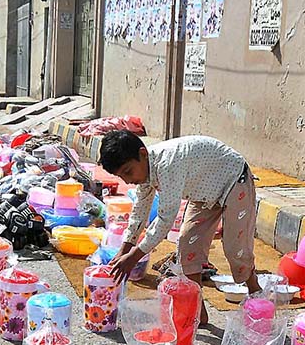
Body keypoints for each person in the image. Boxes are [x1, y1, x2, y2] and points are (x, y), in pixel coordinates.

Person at [100, 131, 260, 325]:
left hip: (234, 181)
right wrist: (124, 250)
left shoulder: (168, 165)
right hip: (204, 193)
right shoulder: (145, 173)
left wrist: (133, 257)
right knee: (187, 246)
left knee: (235, 247)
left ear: (142, 154)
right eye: (121, 177)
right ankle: (198, 312)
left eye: (128, 171)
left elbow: (165, 219)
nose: (127, 181)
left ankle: (256, 295)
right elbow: (139, 211)